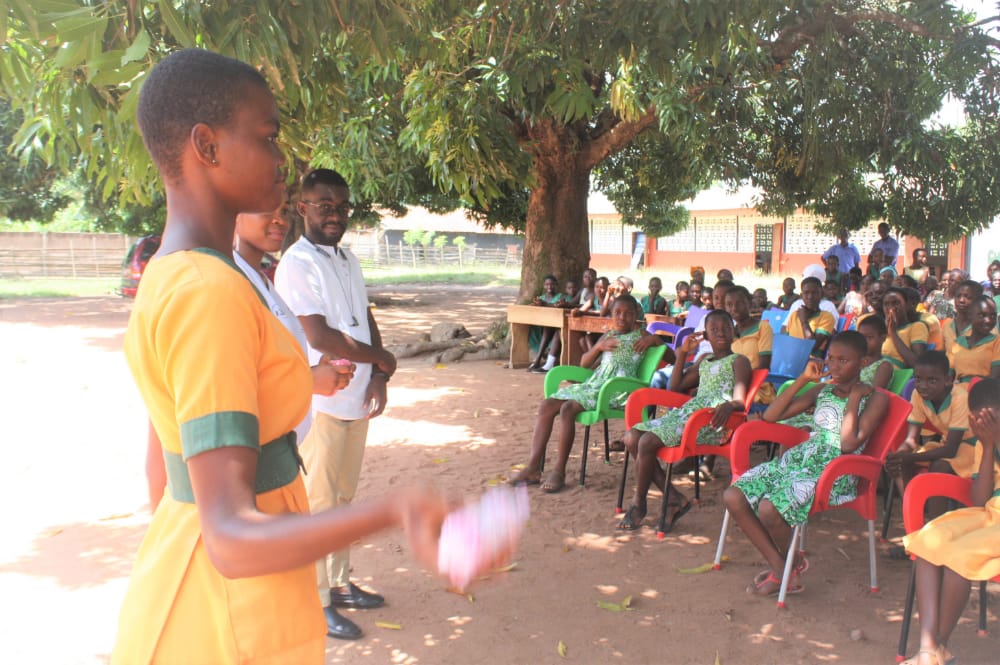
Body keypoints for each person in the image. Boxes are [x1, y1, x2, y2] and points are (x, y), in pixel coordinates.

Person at [112, 49, 455, 663]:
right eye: (268, 138)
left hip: (208, 588)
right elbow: (233, 540)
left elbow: (162, 467)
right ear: (207, 147)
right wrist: (396, 509)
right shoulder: (207, 293)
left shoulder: (176, 275)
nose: (282, 160)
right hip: (226, 618)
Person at [275, 168, 401, 640]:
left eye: (342, 207)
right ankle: (317, 599)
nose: (335, 215)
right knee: (321, 504)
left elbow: (364, 317)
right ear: (302, 208)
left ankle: (340, 583)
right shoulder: (297, 262)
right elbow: (320, 335)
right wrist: (380, 357)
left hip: (356, 397)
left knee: (343, 499)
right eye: (324, 206)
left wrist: (380, 374)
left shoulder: (347, 258)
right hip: (323, 400)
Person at [723, 331, 886, 596]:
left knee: (768, 509)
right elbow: (772, 416)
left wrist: (854, 398)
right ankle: (784, 567)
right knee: (733, 496)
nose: (834, 366)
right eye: (830, 358)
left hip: (838, 471)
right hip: (802, 460)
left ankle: (785, 572)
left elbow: (847, 444)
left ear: (863, 363)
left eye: (843, 360)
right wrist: (803, 379)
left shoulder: (876, 398)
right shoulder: (823, 389)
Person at [510, 295, 661, 493]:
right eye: (617, 313)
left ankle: (559, 471)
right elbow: (584, 364)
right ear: (611, 315)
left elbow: (670, 355)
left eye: (628, 313)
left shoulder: (641, 336)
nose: (622, 317)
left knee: (567, 409)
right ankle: (533, 467)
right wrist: (598, 347)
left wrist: (654, 339)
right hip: (594, 385)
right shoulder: (608, 335)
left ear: (636, 317)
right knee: (546, 405)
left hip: (616, 390)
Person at [617, 310, 751, 531]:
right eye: (714, 329)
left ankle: (639, 504)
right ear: (705, 335)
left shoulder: (739, 361)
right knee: (632, 437)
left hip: (711, 421)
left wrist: (729, 405)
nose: (720, 332)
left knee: (647, 442)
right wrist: (681, 354)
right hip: (687, 416)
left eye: (726, 328)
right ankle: (672, 497)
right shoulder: (704, 361)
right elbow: (675, 387)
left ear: (734, 331)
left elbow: (740, 401)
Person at [900, 378, 1000, 665]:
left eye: (993, 420)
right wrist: (989, 446)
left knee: (958, 559)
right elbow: (980, 500)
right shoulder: (986, 441)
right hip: (989, 513)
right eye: (982, 421)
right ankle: (930, 648)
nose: (988, 425)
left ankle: (935, 650)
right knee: (928, 540)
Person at [885, 351, 977, 525]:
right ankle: (915, 526)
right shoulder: (918, 395)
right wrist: (900, 455)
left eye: (932, 380)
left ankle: (935, 531)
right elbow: (911, 439)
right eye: (918, 379)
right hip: (946, 444)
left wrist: (911, 456)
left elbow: (951, 450)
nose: (923, 386)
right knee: (902, 462)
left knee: (939, 466)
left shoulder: (960, 398)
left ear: (948, 379)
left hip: (972, 447)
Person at [727, 285, 776, 408]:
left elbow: (764, 366)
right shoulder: (728, 332)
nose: (734, 308)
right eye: (729, 304)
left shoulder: (762, 328)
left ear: (749, 303)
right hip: (730, 387)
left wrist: (740, 386)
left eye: (739, 303)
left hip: (755, 389)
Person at [946, 295, 1000, 386]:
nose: (988, 320)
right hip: (958, 391)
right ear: (970, 315)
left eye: (993, 315)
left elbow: (994, 378)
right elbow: (949, 376)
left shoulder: (996, 342)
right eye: (982, 315)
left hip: (984, 391)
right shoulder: (957, 343)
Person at [782, 276, 835, 357]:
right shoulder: (794, 315)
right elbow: (785, 342)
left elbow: (811, 347)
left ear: (821, 294)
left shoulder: (826, 317)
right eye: (806, 293)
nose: (810, 297)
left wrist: (804, 321)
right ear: (801, 295)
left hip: (811, 362)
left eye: (814, 293)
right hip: (790, 359)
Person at [882, 286, 930, 370]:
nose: (891, 308)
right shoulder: (880, 331)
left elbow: (917, 364)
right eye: (886, 304)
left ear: (907, 305)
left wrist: (892, 333)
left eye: (896, 303)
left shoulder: (917, 327)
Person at [528, 274, 565, 373]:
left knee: (548, 328)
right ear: (544, 286)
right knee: (533, 328)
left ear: (556, 285)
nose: (549, 287)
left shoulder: (560, 296)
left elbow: (559, 307)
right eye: (547, 285)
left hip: (556, 326)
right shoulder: (541, 298)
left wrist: (545, 304)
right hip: (544, 326)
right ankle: (539, 359)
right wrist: (536, 304)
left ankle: (539, 360)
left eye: (552, 284)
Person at [941, 279, 984, 354]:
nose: (961, 300)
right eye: (958, 296)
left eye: (968, 297)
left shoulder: (984, 328)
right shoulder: (947, 325)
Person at [856, 315, 894, 389]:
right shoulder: (857, 361)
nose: (864, 341)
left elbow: (873, 393)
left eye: (869, 337)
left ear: (883, 338)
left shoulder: (885, 366)